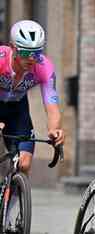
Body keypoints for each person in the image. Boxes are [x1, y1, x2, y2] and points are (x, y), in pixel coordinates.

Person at [0, 20, 64, 176]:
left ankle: (14, 197)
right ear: (12, 47)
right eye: (24, 52)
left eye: (36, 53)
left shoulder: (44, 67)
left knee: (25, 163)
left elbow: (52, 108)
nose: (31, 58)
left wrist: (54, 130)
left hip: (18, 109)